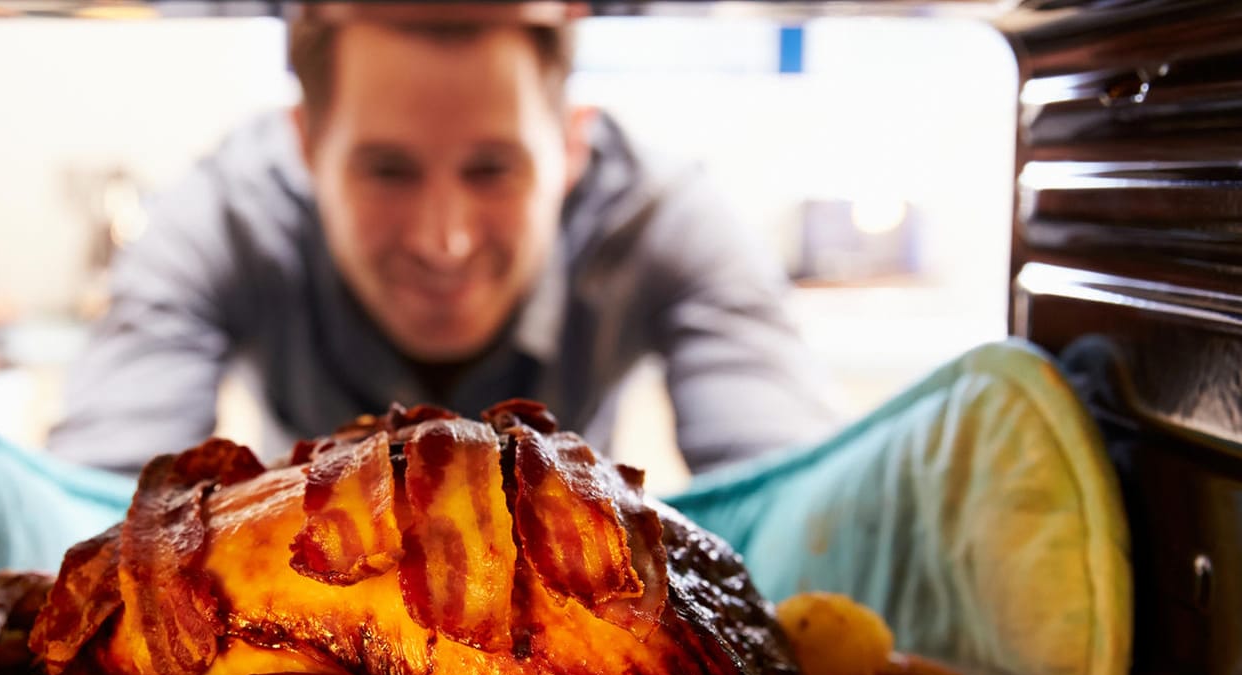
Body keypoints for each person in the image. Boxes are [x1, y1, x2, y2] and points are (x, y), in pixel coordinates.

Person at [47, 2, 840, 475]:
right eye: (386, 171)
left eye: (492, 169)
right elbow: (104, 494)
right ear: (305, 147)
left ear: (570, 147)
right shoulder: (221, 217)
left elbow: (787, 485)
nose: (444, 240)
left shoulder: (660, 217)